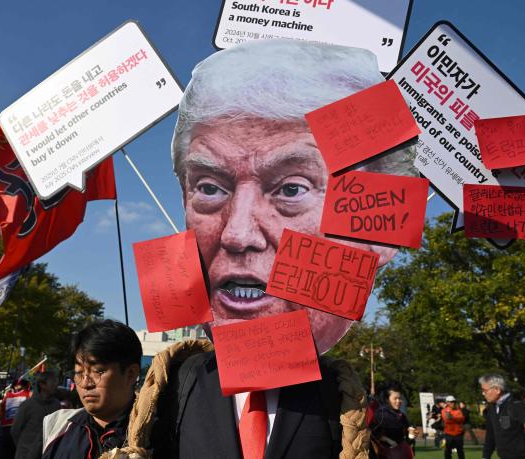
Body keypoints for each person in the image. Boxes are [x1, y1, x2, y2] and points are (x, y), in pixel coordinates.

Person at [136, 39, 417, 459]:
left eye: (291, 188)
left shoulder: (345, 403)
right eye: (210, 188)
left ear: (374, 229)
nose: (238, 233)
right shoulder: (175, 389)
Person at [41, 320, 141, 458]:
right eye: (78, 372)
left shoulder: (158, 434)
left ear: (130, 374)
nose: (85, 383)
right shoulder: (57, 427)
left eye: (97, 371)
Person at [479, 373, 525, 459]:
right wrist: (485, 457)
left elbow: (523, 415)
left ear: (497, 389)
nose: (483, 394)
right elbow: (490, 436)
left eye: (485, 390)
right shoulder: (491, 409)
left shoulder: (515, 403)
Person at [11, 370, 61, 459]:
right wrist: (26, 448)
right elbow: (15, 430)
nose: (56, 384)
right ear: (42, 385)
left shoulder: (56, 405)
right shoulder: (27, 405)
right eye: (53, 381)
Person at [369, 383, 413, 459]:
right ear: (387, 399)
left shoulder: (402, 416)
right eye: (395, 398)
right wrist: (388, 440)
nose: (398, 401)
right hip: (384, 454)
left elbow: (406, 437)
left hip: (401, 453)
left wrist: (411, 434)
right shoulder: (381, 414)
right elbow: (371, 433)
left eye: (400, 398)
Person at [0, 379, 31, 459]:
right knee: (8, 451)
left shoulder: (28, 394)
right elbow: (1, 410)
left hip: (18, 427)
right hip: (9, 427)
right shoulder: (8, 395)